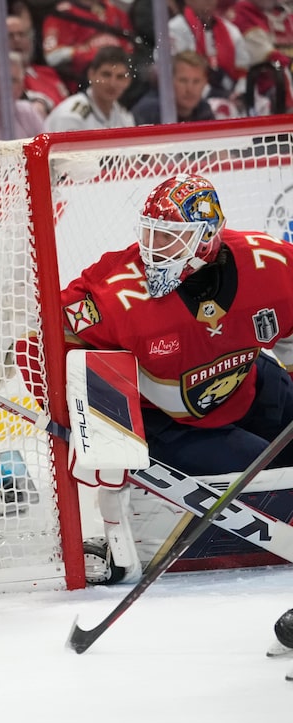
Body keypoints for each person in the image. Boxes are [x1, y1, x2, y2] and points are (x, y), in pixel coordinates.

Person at [59, 174, 293, 579]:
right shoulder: (115, 293)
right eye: (151, 234)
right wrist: (91, 425)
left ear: (205, 239)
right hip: (172, 423)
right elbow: (41, 340)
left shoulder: (268, 262)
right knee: (264, 479)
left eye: (169, 238)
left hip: (248, 383)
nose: (152, 250)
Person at [45, 45, 135, 132]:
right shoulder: (71, 116)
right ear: (91, 74)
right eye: (106, 75)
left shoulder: (124, 116)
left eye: (120, 77)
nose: (112, 84)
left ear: (128, 81)